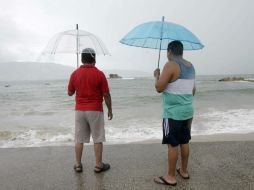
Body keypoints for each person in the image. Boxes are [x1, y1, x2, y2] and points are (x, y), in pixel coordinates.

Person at [153, 41, 196, 186]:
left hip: (172, 113)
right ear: (181, 51)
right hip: (188, 111)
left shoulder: (170, 64)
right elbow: (193, 90)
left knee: (172, 144)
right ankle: (183, 171)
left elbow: (159, 88)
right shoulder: (190, 66)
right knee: (184, 141)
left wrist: (156, 76)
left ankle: (170, 177)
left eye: (167, 52)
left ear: (170, 51)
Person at [68, 48, 113, 173]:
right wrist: (110, 109)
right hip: (95, 110)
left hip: (80, 111)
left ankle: (78, 164)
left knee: (79, 139)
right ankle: (98, 165)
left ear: (82, 59)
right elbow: (106, 94)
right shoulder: (99, 74)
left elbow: (70, 93)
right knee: (97, 138)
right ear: (94, 59)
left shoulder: (74, 74)